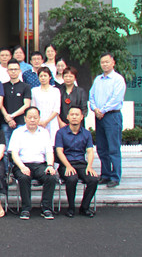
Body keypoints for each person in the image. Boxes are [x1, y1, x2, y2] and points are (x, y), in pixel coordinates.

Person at [8, 106, 57, 220]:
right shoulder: (18, 132)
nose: (32, 120)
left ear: (39, 118)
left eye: (35, 117)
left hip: (40, 165)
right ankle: (26, 208)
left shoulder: (44, 132)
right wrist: (22, 167)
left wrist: (50, 165)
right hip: (22, 164)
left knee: (51, 177)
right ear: (25, 118)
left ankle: (46, 208)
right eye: (30, 117)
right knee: (24, 177)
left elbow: (49, 152)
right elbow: (14, 153)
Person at [89, 52, 126, 188]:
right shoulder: (98, 80)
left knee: (113, 147)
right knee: (102, 147)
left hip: (112, 116)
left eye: (107, 62)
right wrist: (95, 109)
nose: (104, 64)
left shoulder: (118, 79)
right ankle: (105, 174)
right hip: (99, 116)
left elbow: (116, 99)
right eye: (102, 62)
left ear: (113, 63)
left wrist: (103, 110)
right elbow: (91, 96)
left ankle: (115, 176)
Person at [55, 106, 99, 218]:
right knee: (72, 179)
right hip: (66, 164)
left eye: (77, 115)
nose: (74, 117)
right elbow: (59, 151)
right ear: (67, 117)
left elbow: (90, 151)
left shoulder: (86, 133)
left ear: (81, 117)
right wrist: (68, 166)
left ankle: (84, 207)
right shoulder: (61, 133)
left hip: (81, 164)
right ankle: (71, 208)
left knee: (93, 180)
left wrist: (89, 166)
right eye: (72, 114)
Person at [0, 60, 32, 148]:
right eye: (11, 69)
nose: (13, 71)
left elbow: (26, 105)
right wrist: (7, 117)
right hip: (5, 122)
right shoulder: (2, 86)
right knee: (6, 149)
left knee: (21, 147)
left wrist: (12, 116)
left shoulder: (26, 86)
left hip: (21, 122)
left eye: (15, 69)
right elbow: (0, 103)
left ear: (19, 71)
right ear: (7, 71)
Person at [31, 67, 60, 146]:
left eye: (45, 75)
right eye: (41, 76)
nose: (43, 78)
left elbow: (56, 109)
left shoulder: (55, 91)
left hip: (52, 121)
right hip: (38, 121)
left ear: (50, 77)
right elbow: (33, 107)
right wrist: (39, 121)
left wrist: (46, 121)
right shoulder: (34, 90)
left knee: (52, 144)